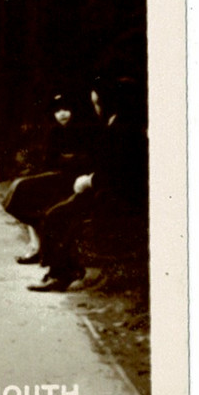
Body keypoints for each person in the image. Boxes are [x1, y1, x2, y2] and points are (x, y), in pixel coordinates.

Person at [28, 77, 148, 292]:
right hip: (107, 191)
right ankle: (59, 270)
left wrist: (88, 181)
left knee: (58, 216)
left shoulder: (123, 130)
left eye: (98, 103)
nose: (96, 108)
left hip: (118, 197)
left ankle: (62, 273)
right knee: (56, 212)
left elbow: (121, 173)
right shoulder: (115, 125)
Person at [4, 93, 97, 263]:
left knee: (35, 197)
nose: (62, 114)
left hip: (75, 180)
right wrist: (67, 159)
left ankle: (41, 250)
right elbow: (49, 160)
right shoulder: (53, 132)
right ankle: (36, 246)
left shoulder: (82, 130)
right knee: (23, 193)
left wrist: (69, 159)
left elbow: (86, 160)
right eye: (58, 111)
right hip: (57, 177)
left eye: (66, 110)